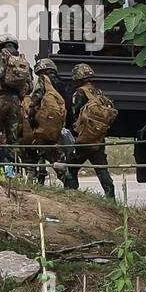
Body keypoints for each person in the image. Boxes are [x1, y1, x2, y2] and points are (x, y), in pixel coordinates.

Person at [60, 63, 117, 200]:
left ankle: (71, 197)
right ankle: (111, 199)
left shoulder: (80, 92)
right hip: (98, 138)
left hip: (84, 139)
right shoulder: (98, 92)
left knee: (71, 167)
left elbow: (74, 113)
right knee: (101, 169)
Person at [0, 33, 31, 165]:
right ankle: (11, 172)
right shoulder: (22, 60)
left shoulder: (0, 56)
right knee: (13, 138)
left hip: (0, 100)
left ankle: (1, 164)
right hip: (16, 101)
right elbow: (29, 83)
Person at [23, 58, 68, 184]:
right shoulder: (61, 84)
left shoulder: (44, 80)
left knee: (42, 150)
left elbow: (36, 98)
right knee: (56, 157)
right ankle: (67, 182)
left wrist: (31, 117)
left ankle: (39, 180)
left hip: (44, 125)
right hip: (57, 126)